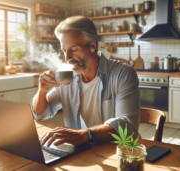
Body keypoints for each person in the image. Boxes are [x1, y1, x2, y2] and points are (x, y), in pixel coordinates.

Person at [31, 16, 140, 147]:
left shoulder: (123, 74)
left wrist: (85, 135)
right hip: (79, 152)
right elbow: (40, 114)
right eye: (64, 51)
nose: (67, 58)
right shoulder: (67, 77)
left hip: (117, 150)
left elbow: (127, 125)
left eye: (74, 49)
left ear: (92, 46)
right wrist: (42, 91)